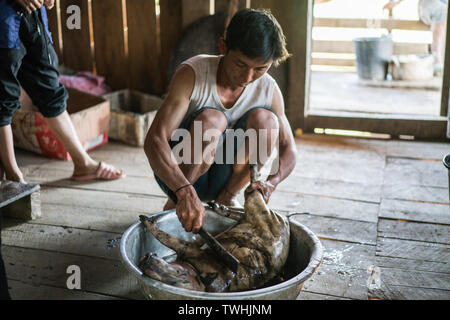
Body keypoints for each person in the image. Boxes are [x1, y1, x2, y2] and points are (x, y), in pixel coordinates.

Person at [144, 9, 298, 234]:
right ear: (223, 47)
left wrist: (272, 182)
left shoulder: (269, 89)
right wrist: (182, 190)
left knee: (267, 121)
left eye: (260, 69)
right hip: (179, 175)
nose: (247, 78)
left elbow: (289, 149)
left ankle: (228, 197)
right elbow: (154, 140)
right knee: (212, 121)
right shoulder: (193, 74)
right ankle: (179, 201)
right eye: (241, 64)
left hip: (226, 178)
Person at [0, 0, 125, 183]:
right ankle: (13, 175)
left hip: (33, 19)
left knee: (49, 89)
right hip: (3, 21)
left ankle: (82, 162)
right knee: (3, 100)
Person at [383, 0, 448, 75]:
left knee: (444, 14)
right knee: (442, 12)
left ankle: (439, 63)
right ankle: (438, 63)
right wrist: (395, 2)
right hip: (431, 7)